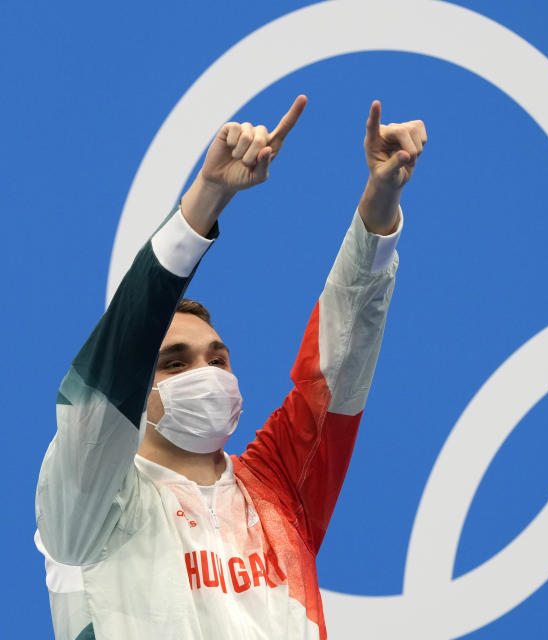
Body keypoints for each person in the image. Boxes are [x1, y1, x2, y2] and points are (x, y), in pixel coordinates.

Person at [35, 94, 427, 639]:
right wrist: (208, 198)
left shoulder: (279, 490)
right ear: (133, 393)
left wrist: (381, 204)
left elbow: (342, 360)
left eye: (218, 358)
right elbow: (111, 370)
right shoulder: (94, 503)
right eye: (175, 364)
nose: (207, 373)